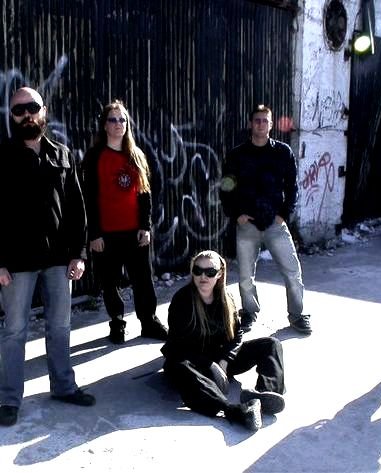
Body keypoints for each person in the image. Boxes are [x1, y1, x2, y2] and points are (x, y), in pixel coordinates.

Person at [0, 87, 96, 427]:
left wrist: (79, 254)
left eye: (32, 107)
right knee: (14, 331)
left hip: (58, 259)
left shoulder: (61, 154)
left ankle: (64, 387)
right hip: (17, 262)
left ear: (44, 110)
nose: (26, 114)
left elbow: (77, 209)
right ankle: (8, 399)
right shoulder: (2, 157)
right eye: (19, 110)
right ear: (12, 116)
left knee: (60, 326)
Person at [161, 250, 285, 431]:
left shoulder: (227, 298)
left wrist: (225, 361)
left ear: (219, 274)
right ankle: (235, 411)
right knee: (180, 367)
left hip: (220, 359)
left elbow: (237, 335)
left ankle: (266, 394)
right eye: (198, 270)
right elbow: (177, 346)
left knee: (271, 344)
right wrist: (210, 365)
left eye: (210, 272)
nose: (203, 276)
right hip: (192, 362)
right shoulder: (182, 300)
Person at [220, 104, 311, 334]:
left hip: (275, 223)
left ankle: (297, 315)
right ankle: (249, 312)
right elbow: (226, 186)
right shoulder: (237, 155)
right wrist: (236, 215)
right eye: (257, 120)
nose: (261, 124)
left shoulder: (282, 152)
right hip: (247, 224)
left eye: (265, 121)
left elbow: (292, 187)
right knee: (245, 276)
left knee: (292, 271)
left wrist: (283, 215)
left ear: (271, 125)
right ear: (250, 124)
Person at [82, 100, 167, 344]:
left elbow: (145, 194)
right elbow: (88, 198)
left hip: (134, 232)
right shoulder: (94, 156)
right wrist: (94, 234)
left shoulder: (136, 155)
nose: (118, 124)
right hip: (106, 234)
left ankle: (149, 322)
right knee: (109, 282)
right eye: (113, 119)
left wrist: (145, 227)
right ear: (104, 125)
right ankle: (117, 323)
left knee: (143, 280)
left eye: (123, 120)